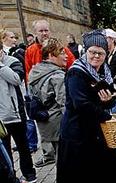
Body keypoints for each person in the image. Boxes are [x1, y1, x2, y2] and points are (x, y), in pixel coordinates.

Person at [56, 30, 116, 183]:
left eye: (101, 53)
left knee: (102, 168)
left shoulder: (104, 71)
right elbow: (81, 104)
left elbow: (111, 97)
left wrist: (108, 102)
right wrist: (105, 113)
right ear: (86, 52)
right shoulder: (76, 72)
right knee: (81, 174)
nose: (96, 57)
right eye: (93, 52)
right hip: (77, 130)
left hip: (96, 129)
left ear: (106, 55)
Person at [0, 42, 37, 183]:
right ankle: (11, 178)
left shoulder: (12, 61)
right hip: (1, 117)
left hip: (15, 113)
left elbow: (17, 79)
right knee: (5, 151)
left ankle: (29, 173)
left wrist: (1, 66)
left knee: (23, 146)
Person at [28, 38, 67, 167]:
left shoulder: (36, 71)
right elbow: (65, 104)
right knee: (66, 159)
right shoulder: (57, 76)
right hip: (59, 122)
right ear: (51, 55)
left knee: (59, 157)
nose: (66, 56)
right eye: (61, 53)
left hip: (46, 121)